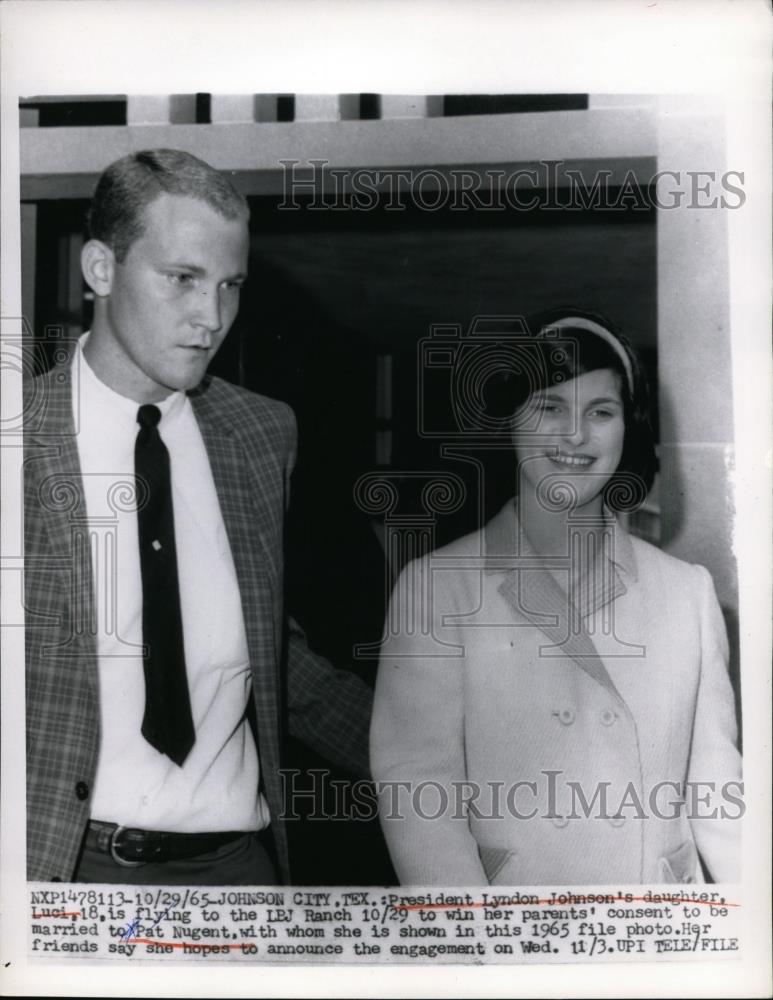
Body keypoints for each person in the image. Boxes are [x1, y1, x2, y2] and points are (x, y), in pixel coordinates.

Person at [24, 148, 372, 885]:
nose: (210, 317)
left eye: (229, 285)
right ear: (100, 269)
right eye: (182, 278)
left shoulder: (261, 434)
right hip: (62, 871)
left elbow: (272, 659)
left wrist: (442, 755)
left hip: (238, 873)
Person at [371, 310, 742, 885]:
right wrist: (475, 950)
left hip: (659, 937)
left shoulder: (686, 591)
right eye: (549, 407)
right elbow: (419, 792)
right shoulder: (435, 587)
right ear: (510, 420)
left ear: (630, 429)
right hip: (518, 938)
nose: (575, 435)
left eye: (601, 412)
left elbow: (720, 790)